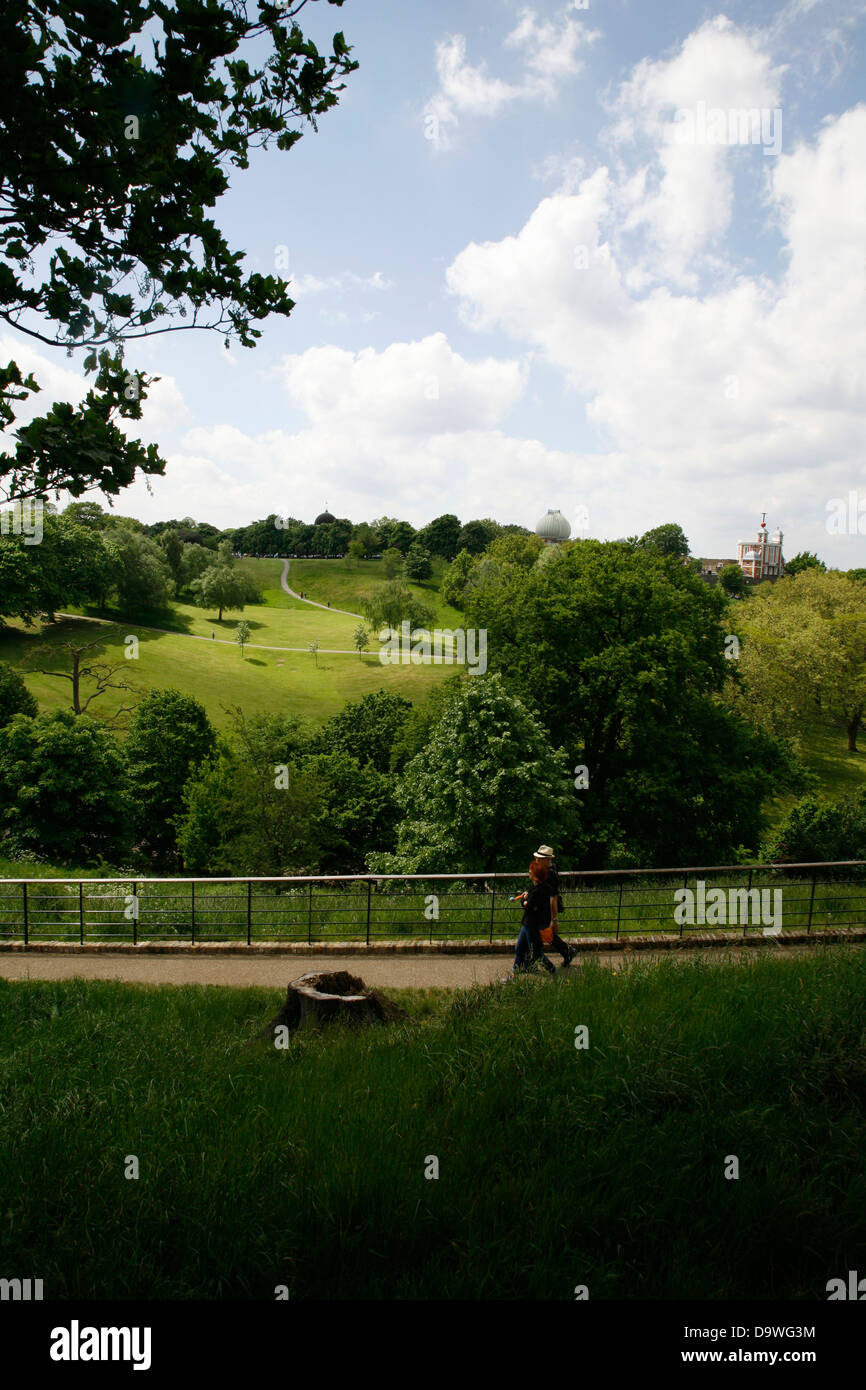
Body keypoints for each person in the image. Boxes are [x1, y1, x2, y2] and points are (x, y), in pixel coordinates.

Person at [534, 843, 577, 966]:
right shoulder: (551, 868)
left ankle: (530, 961)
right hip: (543, 908)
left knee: (539, 932)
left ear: (547, 859)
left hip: (545, 909)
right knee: (543, 932)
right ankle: (567, 951)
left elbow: (553, 897)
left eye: (539, 859)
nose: (536, 860)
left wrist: (554, 920)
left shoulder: (550, 874)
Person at [512, 860, 557, 976]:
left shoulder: (537, 891)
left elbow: (528, 906)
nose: (529, 872)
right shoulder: (541, 887)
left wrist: (523, 900)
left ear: (535, 877)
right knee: (520, 948)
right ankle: (516, 970)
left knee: (536, 952)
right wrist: (526, 900)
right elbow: (531, 905)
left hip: (531, 925)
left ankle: (552, 970)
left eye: (530, 871)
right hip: (528, 924)